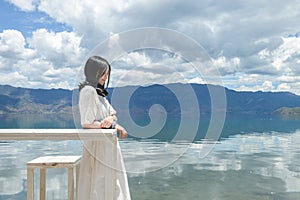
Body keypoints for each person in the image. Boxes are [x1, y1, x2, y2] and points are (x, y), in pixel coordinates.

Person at [78, 55, 131, 200]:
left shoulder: (99, 92)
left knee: (111, 182)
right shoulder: (89, 91)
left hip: (107, 143)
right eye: (103, 73)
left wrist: (111, 120)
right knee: (99, 184)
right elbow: (87, 122)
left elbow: (113, 114)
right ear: (93, 72)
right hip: (98, 145)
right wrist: (111, 124)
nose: (105, 77)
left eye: (107, 74)